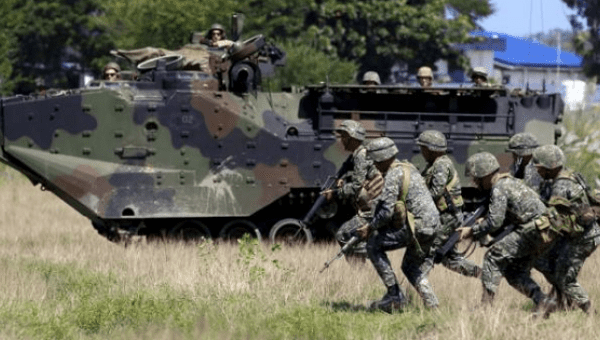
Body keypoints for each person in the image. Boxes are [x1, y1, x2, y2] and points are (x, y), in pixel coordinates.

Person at [457, 152, 558, 317]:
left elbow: (495, 222)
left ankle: (485, 307)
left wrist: (471, 231)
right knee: (513, 272)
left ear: (486, 174)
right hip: (543, 230)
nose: (475, 183)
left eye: (477, 179)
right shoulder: (508, 182)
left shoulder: (499, 188)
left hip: (535, 229)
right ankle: (543, 301)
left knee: (493, 256)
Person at [357, 137, 441, 312]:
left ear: (383, 158)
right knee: (410, 267)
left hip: (416, 226)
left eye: (376, 161)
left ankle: (395, 296)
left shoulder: (393, 175)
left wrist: (370, 227)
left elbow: (386, 212)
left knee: (373, 245)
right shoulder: (408, 168)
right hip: (432, 226)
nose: (375, 166)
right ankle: (434, 307)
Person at [532, 145, 600, 314]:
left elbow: (557, 221)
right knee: (551, 265)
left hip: (583, 237)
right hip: (582, 234)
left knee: (564, 278)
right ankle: (561, 303)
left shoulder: (560, 186)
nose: (538, 172)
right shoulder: (571, 175)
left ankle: (590, 311)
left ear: (550, 166)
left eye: (539, 168)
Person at [416, 130, 481, 278]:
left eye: (423, 148)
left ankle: (412, 289)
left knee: (428, 254)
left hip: (447, 218)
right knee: (450, 259)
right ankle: (486, 276)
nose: (421, 151)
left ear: (431, 149)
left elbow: (435, 192)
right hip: (446, 217)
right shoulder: (433, 165)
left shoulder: (441, 165)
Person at [322, 120, 378, 262]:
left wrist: (335, 193)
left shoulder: (360, 155)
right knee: (355, 239)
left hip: (370, 209)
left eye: (343, 136)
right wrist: (343, 179)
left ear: (351, 138)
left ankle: (358, 270)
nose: (341, 140)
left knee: (343, 234)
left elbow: (356, 186)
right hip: (370, 207)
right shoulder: (357, 154)